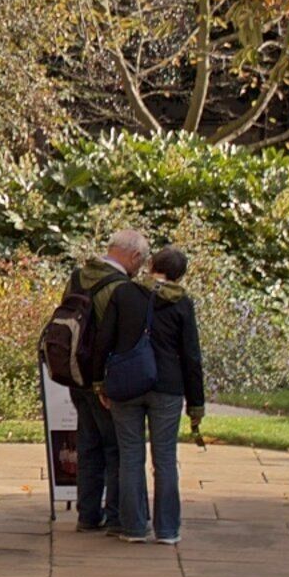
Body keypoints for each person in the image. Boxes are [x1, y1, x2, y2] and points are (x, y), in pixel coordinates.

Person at [58, 229, 152, 537]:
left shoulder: (78, 276)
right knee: (114, 447)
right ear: (134, 256)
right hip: (102, 379)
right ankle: (114, 517)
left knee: (87, 444)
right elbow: (114, 337)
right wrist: (103, 384)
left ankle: (87, 514)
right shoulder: (120, 287)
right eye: (141, 260)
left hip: (73, 373)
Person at [122, 244, 210, 544]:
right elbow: (191, 356)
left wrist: (100, 382)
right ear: (180, 274)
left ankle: (133, 526)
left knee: (131, 456)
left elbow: (108, 337)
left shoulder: (128, 294)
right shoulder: (182, 304)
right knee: (165, 458)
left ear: (151, 265)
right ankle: (168, 529)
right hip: (168, 386)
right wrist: (196, 402)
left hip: (129, 382)